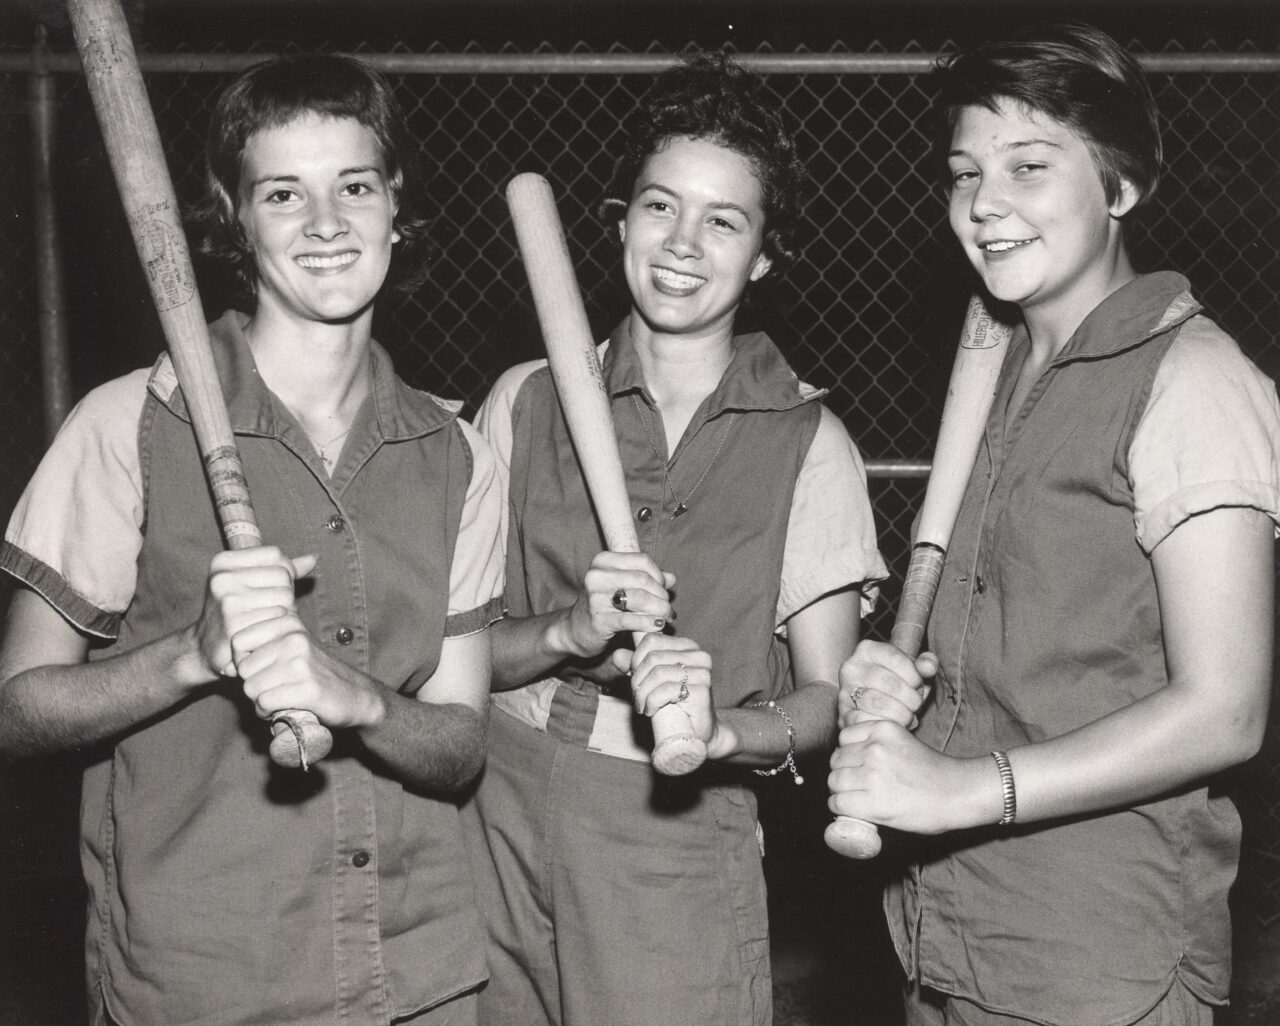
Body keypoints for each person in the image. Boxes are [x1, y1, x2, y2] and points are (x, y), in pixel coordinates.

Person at [0, 54, 504, 1025]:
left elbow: (458, 745)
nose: (326, 224)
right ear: (235, 218)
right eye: (283, 193)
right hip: (203, 984)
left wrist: (359, 702)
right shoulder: (131, 424)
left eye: (354, 185)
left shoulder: (458, 454)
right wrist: (189, 658)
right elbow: (17, 712)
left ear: (396, 204)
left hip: (418, 978)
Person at [828, 21, 1280, 1026]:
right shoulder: (994, 382)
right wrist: (900, 678)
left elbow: (1225, 709)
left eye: (1029, 166)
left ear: (1119, 187)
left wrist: (960, 792)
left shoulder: (1192, 381)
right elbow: (1025, 646)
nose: (983, 203)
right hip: (946, 935)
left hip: (1094, 959)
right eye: (962, 173)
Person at [462, 53, 900, 1026]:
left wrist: (717, 734)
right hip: (494, 814)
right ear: (619, 220)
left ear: (764, 255)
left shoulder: (806, 443)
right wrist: (568, 632)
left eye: (723, 220)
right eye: (660, 208)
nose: (682, 245)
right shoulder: (523, 401)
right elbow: (454, 657)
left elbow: (823, 704)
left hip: (675, 837)